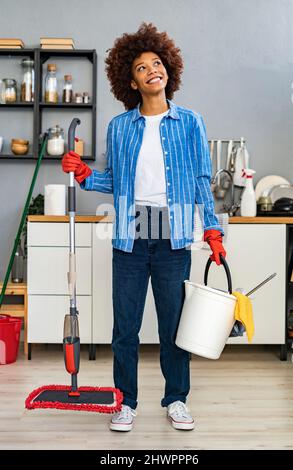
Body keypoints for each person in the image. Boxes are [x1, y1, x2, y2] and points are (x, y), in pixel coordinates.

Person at [62, 22, 226, 432]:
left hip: (174, 235)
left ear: (168, 68)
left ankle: (176, 399)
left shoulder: (190, 122)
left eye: (157, 63)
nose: (152, 70)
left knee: (173, 327)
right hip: (131, 235)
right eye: (141, 67)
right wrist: (84, 174)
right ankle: (125, 401)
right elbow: (115, 180)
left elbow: (201, 180)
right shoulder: (120, 127)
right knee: (126, 328)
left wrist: (211, 228)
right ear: (131, 81)